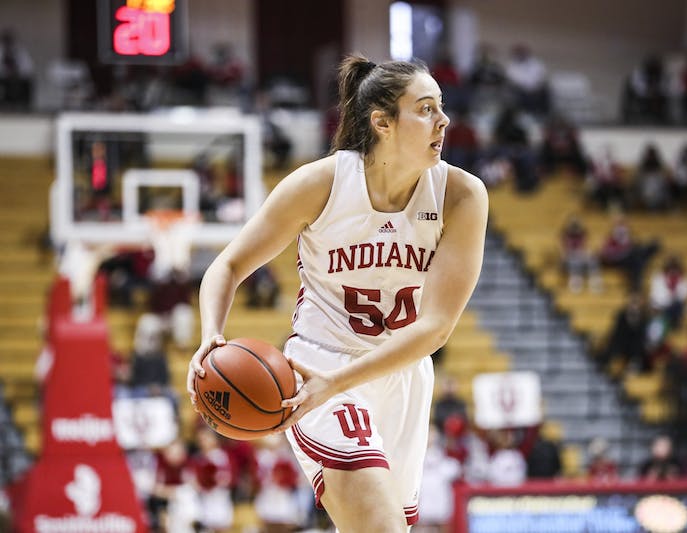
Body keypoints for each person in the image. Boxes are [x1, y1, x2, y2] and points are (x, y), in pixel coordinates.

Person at [187, 54, 488, 532]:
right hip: (319, 366)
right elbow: (228, 264)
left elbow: (436, 328)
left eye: (442, 107)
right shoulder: (322, 183)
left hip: (404, 375)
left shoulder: (462, 195)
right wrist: (210, 334)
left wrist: (345, 381)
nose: (444, 119)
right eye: (426, 108)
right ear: (383, 123)